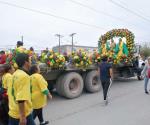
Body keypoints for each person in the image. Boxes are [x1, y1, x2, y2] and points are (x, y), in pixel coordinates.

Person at [7, 53, 35, 125]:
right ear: (26, 62)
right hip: (23, 114)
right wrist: (22, 117)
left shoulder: (14, 74)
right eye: (30, 60)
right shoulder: (24, 76)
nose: (31, 62)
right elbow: (21, 99)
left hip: (13, 112)